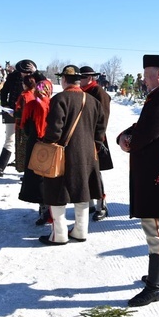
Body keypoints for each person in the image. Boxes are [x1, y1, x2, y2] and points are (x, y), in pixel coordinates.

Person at [116, 54, 159, 307]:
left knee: (155, 228)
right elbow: (145, 125)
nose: (144, 81)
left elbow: (147, 131)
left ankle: (155, 287)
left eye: (146, 76)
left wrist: (128, 140)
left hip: (157, 172)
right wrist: (125, 134)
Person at [39, 65, 106, 246]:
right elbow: (101, 129)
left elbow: (54, 130)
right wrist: (95, 145)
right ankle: (80, 230)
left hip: (63, 152)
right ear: (78, 80)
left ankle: (59, 234)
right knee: (82, 191)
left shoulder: (60, 98)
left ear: (64, 80)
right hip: (87, 153)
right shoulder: (92, 101)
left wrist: (47, 142)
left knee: (56, 191)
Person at [0, 59, 38, 178]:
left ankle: (28, 173)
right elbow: (4, 91)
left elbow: (45, 86)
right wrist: (4, 104)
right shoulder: (12, 76)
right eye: (23, 72)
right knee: (9, 139)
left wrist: (37, 73)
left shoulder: (36, 78)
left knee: (27, 141)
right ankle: (0, 168)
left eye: (28, 72)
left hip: (29, 116)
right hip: (11, 111)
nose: (25, 75)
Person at [79, 65, 114, 221]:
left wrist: (97, 140)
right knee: (83, 171)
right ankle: (90, 203)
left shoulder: (98, 92)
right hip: (81, 137)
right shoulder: (81, 91)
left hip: (94, 138)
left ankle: (102, 206)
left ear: (90, 78)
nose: (79, 80)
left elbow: (103, 118)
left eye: (82, 77)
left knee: (95, 172)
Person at [18, 78, 53, 225]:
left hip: (34, 146)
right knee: (48, 178)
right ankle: (51, 210)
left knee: (36, 177)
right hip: (50, 146)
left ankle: (43, 210)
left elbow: (25, 127)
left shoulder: (31, 105)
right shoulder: (53, 106)